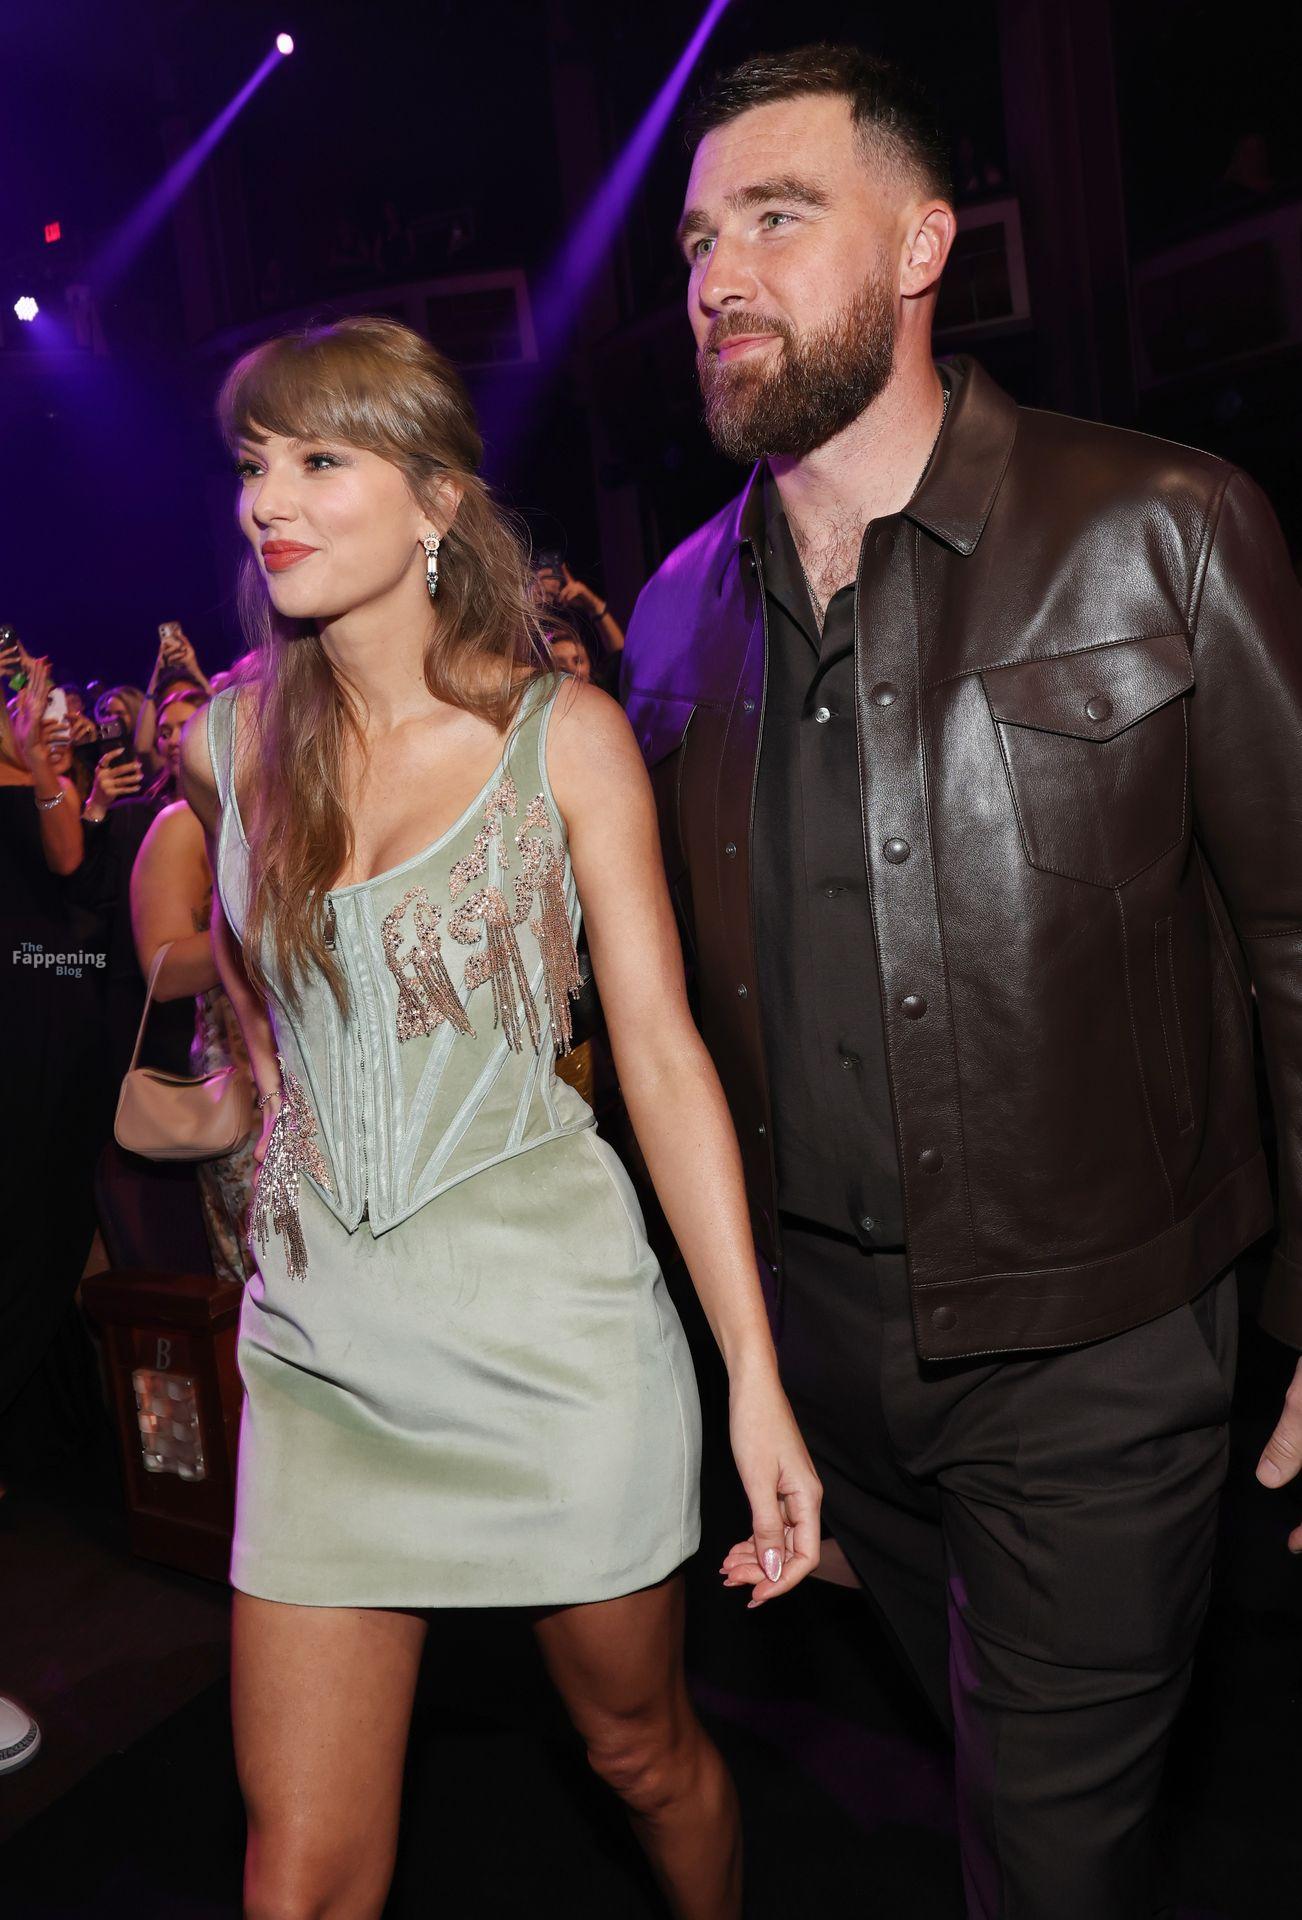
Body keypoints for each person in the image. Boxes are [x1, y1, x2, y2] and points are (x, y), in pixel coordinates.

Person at [620, 43, 1302, 1920]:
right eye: (695, 241)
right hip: (826, 1369)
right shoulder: (674, 609)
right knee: (983, 1786)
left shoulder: (1162, 524)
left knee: (1048, 1862)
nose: (717, 277)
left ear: (923, 246)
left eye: (776, 219)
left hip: (1096, 1352)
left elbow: (1294, 944)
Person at [178, 313, 820, 1920]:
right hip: (318, 1360)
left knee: (639, 1755)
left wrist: (753, 1379)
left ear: (435, 502)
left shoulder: (563, 740)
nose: (269, 499)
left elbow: (661, 1058)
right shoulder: (225, 745)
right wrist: (252, 1114)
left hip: (552, 1351)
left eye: (320, 460)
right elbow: (244, 996)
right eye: (256, 463)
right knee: (297, 1881)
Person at [131, 688, 257, 1286]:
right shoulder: (181, 823)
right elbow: (161, 973)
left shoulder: (295, 810)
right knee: (266, 1268)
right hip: (239, 1077)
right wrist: (264, 927)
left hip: (314, 1065)